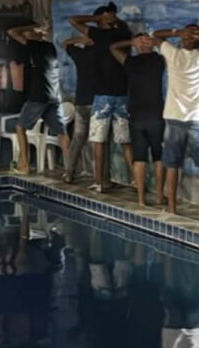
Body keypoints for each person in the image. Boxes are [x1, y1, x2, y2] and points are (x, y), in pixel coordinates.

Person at [147, 25, 199, 221]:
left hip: (174, 118)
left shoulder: (173, 53)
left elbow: (155, 35)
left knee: (172, 165)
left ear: (183, 39)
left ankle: (172, 208)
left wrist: (177, 32)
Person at [70, 3, 133, 192]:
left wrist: (99, 18)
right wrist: (108, 18)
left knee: (100, 140)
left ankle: (99, 182)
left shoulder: (100, 34)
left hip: (103, 96)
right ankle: (134, 181)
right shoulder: (123, 33)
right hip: (122, 94)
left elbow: (74, 21)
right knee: (124, 141)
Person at [110, 33, 166, 206]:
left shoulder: (130, 62)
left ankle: (141, 199)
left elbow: (113, 47)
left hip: (136, 116)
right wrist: (154, 41)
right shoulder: (159, 60)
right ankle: (159, 196)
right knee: (158, 157)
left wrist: (132, 42)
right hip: (156, 115)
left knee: (139, 158)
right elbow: (168, 48)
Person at [7, 23, 70, 175]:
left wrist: (33, 27)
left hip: (39, 95)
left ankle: (24, 165)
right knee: (62, 132)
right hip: (54, 96)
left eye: (28, 33)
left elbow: (12, 30)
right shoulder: (50, 47)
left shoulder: (34, 45)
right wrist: (38, 33)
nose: (25, 35)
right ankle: (70, 169)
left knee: (20, 127)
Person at [62, 35, 96, 183]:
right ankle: (100, 178)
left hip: (81, 101)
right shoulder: (101, 54)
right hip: (98, 102)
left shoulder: (80, 55)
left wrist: (80, 40)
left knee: (78, 139)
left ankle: (69, 173)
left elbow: (66, 43)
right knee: (99, 142)